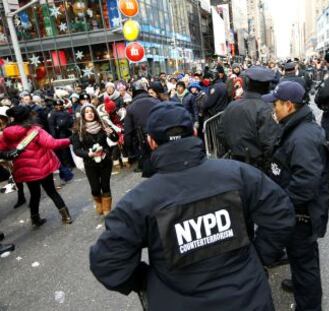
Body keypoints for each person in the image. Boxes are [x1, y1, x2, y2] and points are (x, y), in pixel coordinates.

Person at [89, 103, 296, 311]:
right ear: (195, 133)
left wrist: (147, 282)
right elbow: (280, 212)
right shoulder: (239, 175)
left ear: (151, 142)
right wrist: (259, 257)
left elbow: (107, 263)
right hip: (247, 297)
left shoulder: (139, 202)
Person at [263, 81, 329, 311]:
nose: (274, 108)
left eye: (276, 104)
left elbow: (305, 184)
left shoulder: (302, 137)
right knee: (301, 258)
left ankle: (309, 306)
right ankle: (302, 286)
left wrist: (282, 208)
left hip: (301, 214)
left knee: (305, 262)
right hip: (296, 211)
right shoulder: (296, 126)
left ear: (289, 105)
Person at [0, 106, 73, 226]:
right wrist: (69, 140)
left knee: (34, 194)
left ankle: (35, 219)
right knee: (52, 192)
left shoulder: (6, 133)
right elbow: (52, 143)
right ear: (28, 116)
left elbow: (2, 150)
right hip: (42, 167)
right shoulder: (34, 130)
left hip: (25, 171)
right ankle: (66, 217)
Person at [218, 66, 280, 172]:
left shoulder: (232, 105)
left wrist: (235, 148)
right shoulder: (266, 109)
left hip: (236, 161)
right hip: (257, 165)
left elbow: (220, 132)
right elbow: (270, 143)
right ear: (267, 86)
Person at [71, 104, 118, 216]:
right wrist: (89, 154)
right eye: (87, 112)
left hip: (105, 160)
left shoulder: (102, 125)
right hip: (90, 163)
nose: (90, 113)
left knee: (105, 185)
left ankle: (107, 209)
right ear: (83, 115)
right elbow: (76, 150)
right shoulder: (78, 130)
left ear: (95, 113)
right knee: (95, 188)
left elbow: (115, 138)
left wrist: (111, 133)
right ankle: (98, 201)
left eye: (91, 111)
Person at [124, 80, 160, 176]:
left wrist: (130, 151)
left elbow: (127, 133)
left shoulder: (131, 108)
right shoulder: (156, 101)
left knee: (151, 174)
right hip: (160, 140)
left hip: (143, 145)